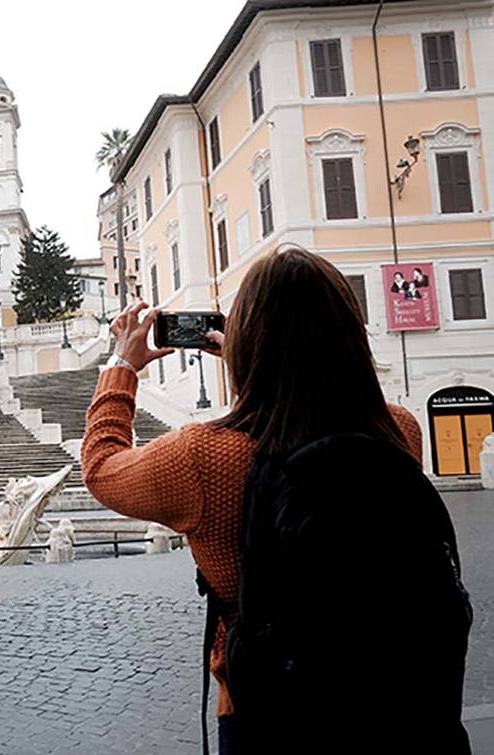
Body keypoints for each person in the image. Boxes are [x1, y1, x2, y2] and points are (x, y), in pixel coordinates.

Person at [81, 245, 465, 754]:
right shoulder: (400, 430)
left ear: (249, 341)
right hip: (400, 701)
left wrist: (120, 367)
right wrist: (255, 361)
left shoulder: (200, 456)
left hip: (267, 712)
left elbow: (102, 466)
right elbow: (312, 412)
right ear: (350, 331)